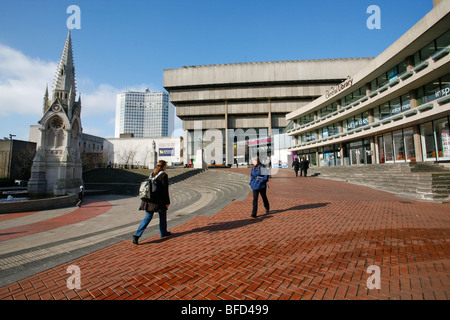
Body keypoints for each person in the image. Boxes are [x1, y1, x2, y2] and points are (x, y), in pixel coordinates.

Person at [133, 160, 171, 244]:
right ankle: (163, 232)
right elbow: (165, 190)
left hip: (149, 199)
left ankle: (137, 234)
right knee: (162, 215)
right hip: (159, 201)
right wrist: (167, 202)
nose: (166, 167)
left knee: (148, 217)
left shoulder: (152, 174)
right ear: (163, 166)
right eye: (166, 165)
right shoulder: (164, 175)